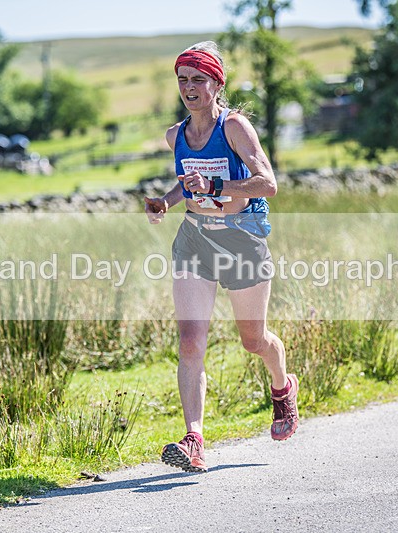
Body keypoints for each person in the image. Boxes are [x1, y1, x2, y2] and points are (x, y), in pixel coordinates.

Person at [144, 41, 299, 473]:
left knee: (254, 341)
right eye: (182, 80)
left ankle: (283, 388)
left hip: (241, 241)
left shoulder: (235, 128)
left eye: (198, 80)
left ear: (216, 84)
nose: (189, 88)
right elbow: (187, 184)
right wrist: (167, 202)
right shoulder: (176, 135)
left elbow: (267, 184)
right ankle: (194, 440)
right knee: (190, 342)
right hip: (194, 241)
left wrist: (216, 189)